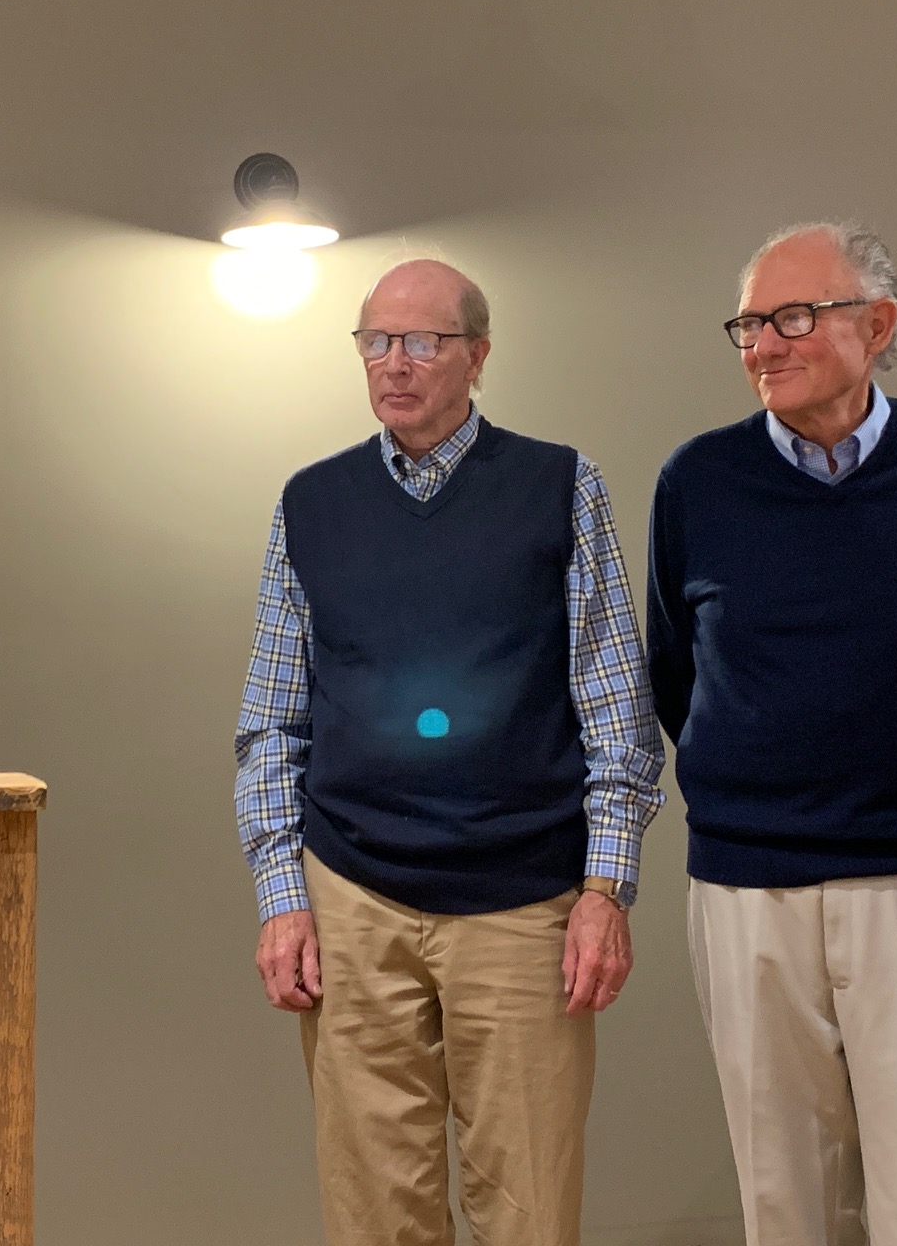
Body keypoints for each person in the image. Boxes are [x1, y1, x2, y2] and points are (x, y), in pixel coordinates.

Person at [233, 257, 664, 1246]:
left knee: (529, 1208)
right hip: (353, 900)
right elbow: (271, 720)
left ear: (478, 354)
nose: (395, 362)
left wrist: (606, 891)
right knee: (374, 1212)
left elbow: (616, 709)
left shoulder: (560, 487)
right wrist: (282, 896)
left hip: (523, 903)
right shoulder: (312, 503)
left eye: (424, 341)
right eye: (376, 340)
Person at [648, 221, 897, 1246]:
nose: (764, 345)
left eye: (794, 317)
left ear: (879, 324)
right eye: (749, 325)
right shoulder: (697, 479)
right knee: (784, 1196)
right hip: (749, 884)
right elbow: (676, 667)